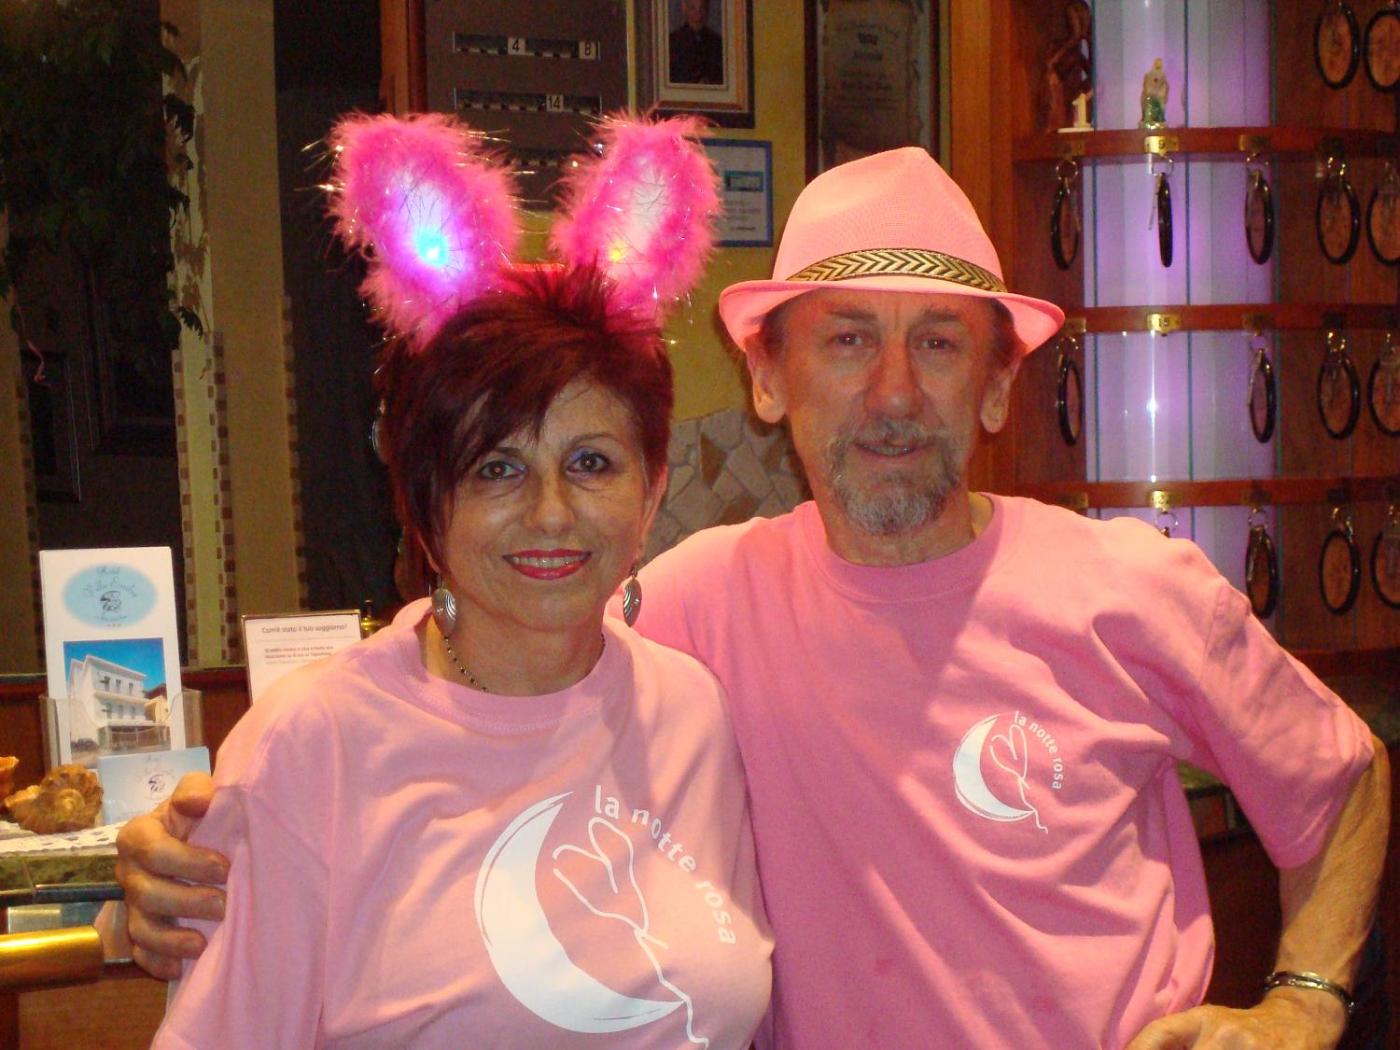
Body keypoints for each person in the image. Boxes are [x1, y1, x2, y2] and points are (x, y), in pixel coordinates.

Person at [118, 147, 1388, 1050]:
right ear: (768, 380)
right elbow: (485, 666)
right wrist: (196, 842)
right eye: (846, 338)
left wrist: (1302, 1001)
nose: (893, 392)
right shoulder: (687, 607)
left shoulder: (1132, 587)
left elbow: (1342, 783)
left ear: (999, 388)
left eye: (938, 342)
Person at [144, 266, 773, 1049]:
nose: (551, 512)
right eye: (496, 468)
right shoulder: (311, 743)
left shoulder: (692, 710)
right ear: (422, 502)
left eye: (590, 463)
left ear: (650, 493)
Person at [669, 0, 723, 85]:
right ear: (684, 9)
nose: (698, 15)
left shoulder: (717, 42)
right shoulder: (672, 42)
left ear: (708, 10)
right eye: (692, 8)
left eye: (702, 9)